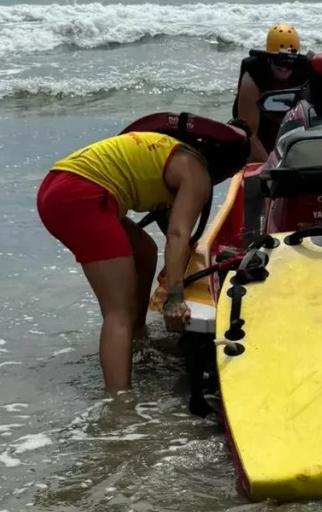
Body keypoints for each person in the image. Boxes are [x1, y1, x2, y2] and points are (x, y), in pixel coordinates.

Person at [36, 122, 249, 394]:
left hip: (56, 186)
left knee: (144, 250)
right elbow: (177, 235)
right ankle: (119, 405)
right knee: (117, 312)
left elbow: (174, 237)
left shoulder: (168, 152)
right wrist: (175, 297)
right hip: (83, 196)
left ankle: (136, 336)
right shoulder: (198, 173)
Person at [233, 23, 310, 163]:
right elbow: (250, 134)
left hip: (290, 134)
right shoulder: (254, 76)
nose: (284, 67)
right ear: (269, 57)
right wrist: (272, 168)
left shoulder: (304, 71)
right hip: (259, 136)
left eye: (289, 62)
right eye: (279, 60)